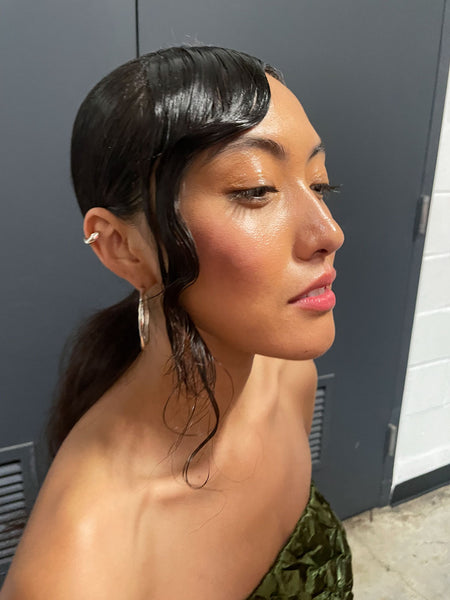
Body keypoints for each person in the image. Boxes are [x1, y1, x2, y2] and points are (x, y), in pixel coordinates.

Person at [1, 46, 353, 599]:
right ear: (121, 247)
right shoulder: (79, 568)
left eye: (319, 183)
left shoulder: (290, 382)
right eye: (256, 189)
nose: (328, 232)